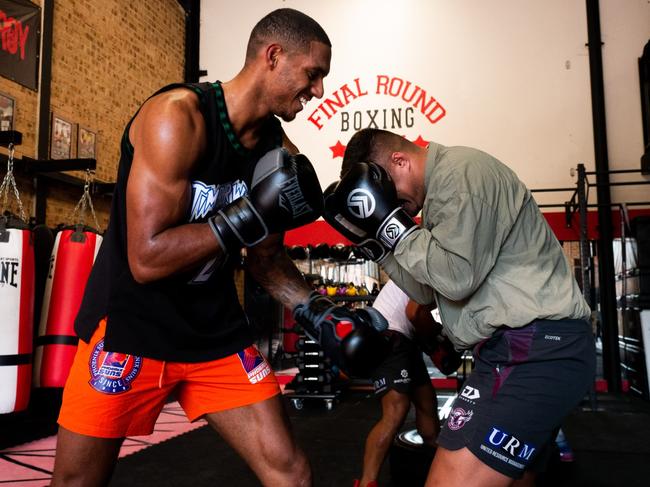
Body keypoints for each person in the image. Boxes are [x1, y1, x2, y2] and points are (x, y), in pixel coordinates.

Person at [52, 10, 389, 487]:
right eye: (313, 74)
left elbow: (266, 261)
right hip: (130, 329)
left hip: (215, 334)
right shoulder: (177, 116)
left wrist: (320, 314)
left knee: (291, 473)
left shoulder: (274, 149)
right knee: (76, 482)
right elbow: (146, 259)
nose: (318, 91)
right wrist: (247, 213)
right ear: (273, 57)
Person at [323, 128, 596, 487]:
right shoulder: (440, 195)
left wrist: (392, 226)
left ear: (400, 161)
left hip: (533, 350)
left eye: (387, 198)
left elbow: (456, 279)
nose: (391, 209)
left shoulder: (460, 174)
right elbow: (427, 291)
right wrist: (375, 243)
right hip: (525, 348)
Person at [355, 280, 440, 487]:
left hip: (407, 340)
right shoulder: (428, 268)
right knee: (395, 411)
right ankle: (367, 483)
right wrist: (436, 338)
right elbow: (414, 312)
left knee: (427, 404)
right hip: (389, 337)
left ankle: (436, 469)